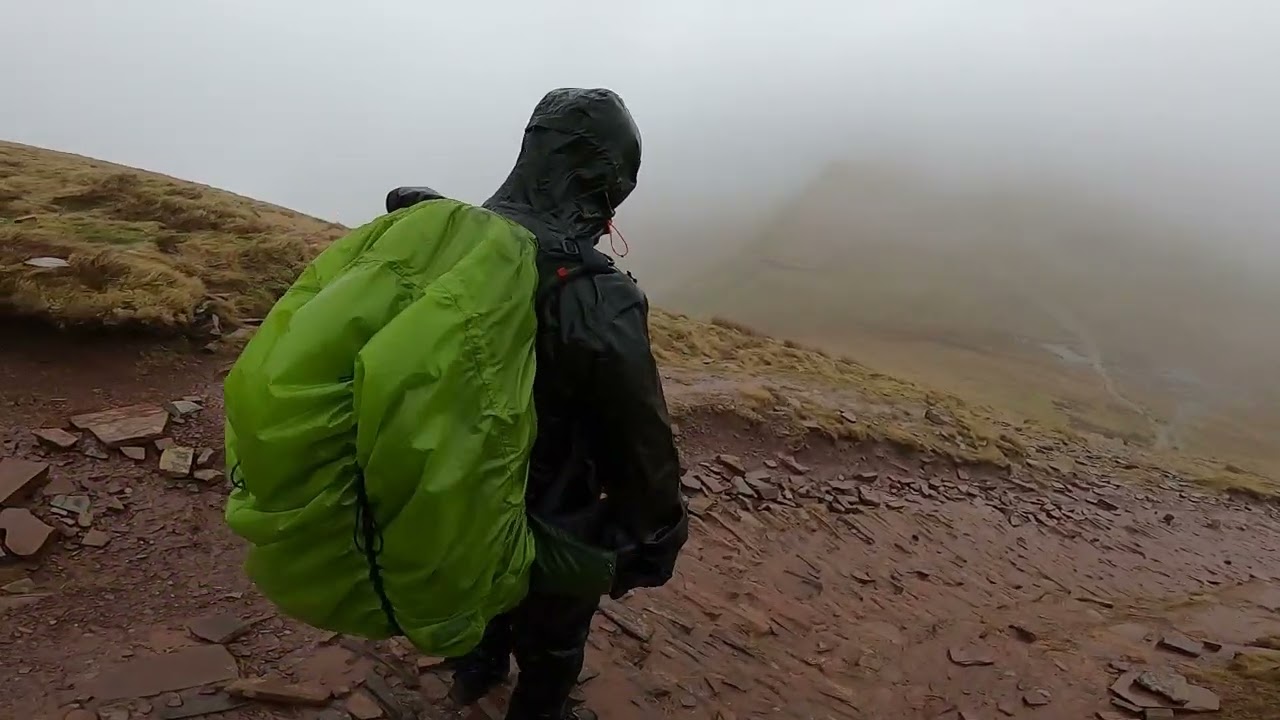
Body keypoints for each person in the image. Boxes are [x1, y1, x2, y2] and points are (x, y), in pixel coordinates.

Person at [438, 88, 688, 720]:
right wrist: (658, 535)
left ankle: (475, 670)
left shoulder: (447, 237)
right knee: (554, 639)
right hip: (557, 504)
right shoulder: (597, 296)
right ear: (608, 180)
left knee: (484, 586)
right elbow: (639, 436)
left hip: (455, 480)